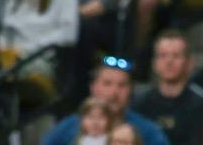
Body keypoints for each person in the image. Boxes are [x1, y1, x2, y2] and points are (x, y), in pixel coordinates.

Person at [43, 60, 172, 145]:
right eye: (107, 84)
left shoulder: (147, 131)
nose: (114, 92)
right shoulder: (69, 127)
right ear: (93, 88)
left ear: (131, 90)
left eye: (122, 85)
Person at [133, 32, 203, 145]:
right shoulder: (140, 103)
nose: (169, 61)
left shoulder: (201, 105)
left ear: (189, 63)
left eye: (176, 56)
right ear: (154, 63)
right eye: (163, 55)